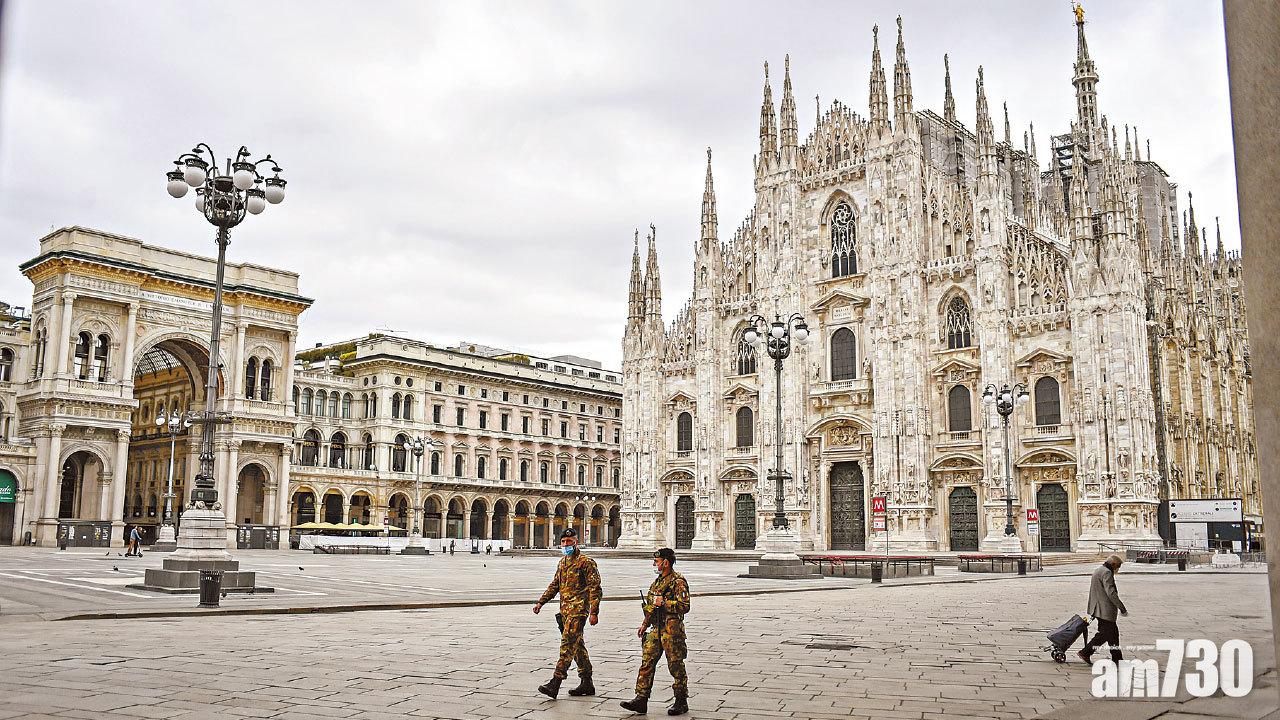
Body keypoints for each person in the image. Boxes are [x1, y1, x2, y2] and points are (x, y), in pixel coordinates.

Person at [532, 527, 601, 699]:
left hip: (578, 611)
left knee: (567, 645)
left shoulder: (586, 562)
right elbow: (555, 585)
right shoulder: (562, 562)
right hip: (565, 611)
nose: (565, 544)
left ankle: (555, 682)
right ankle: (587, 682)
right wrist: (541, 602)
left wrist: (594, 612)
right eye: (563, 542)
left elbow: (595, 588)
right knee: (577, 645)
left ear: (576, 542)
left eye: (569, 542)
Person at [621, 547, 691, 716]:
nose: (654, 564)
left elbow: (685, 606)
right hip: (656, 629)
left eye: (657, 562)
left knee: (675, 665)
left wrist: (665, 603)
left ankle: (681, 700)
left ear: (665, 563)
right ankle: (641, 699)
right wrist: (645, 624)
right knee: (647, 663)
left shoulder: (678, 581)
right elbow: (652, 606)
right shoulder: (658, 582)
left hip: (671, 631)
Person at [1079, 554, 1128, 663]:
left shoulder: (1099, 569)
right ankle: (1085, 652)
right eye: (1118, 566)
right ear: (1113, 564)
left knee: (1112, 635)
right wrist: (1121, 607)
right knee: (1105, 635)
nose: (1118, 569)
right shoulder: (1107, 572)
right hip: (1104, 610)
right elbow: (1111, 593)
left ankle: (1117, 659)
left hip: (1097, 608)